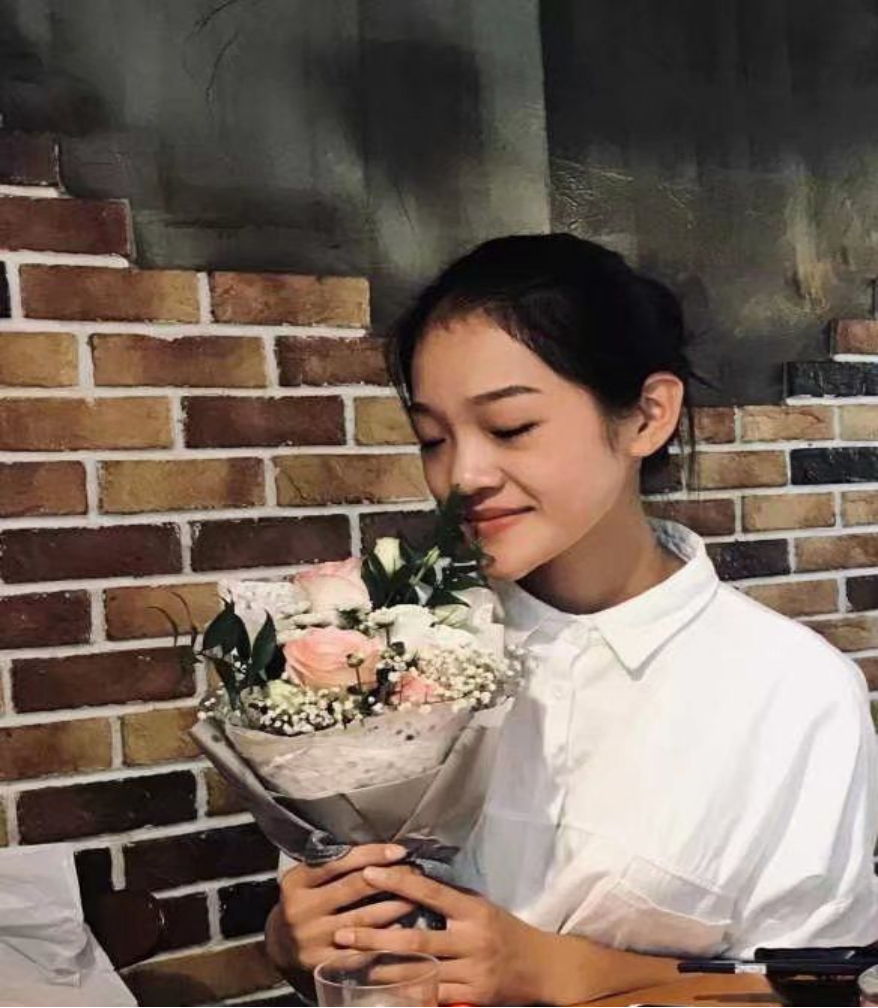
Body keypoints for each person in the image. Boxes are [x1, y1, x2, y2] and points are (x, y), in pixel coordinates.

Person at [265, 234, 878, 1006]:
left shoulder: (792, 691)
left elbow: (817, 992)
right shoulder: (384, 646)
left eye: (511, 427)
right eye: (433, 439)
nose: (463, 476)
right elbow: (334, 927)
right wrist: (293, 940)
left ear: (647, 416)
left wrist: (565, 973)